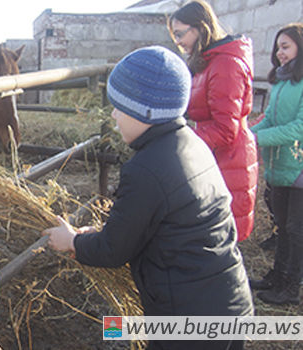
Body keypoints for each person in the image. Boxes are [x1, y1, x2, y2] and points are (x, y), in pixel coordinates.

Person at [41, 46, 253, 350]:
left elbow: (113, 251)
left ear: (145, 113)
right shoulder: (191, 142)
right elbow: (163, 224)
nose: (113, 114)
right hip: (227, 301)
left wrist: (72, 241)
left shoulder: (145, 169)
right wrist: (97, 236)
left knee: (119, 332)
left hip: (189, 321)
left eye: (119, 107)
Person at [168, 0, 258, 242]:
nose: (177, 41)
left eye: (180, 33)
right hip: (216, 157)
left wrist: (179, 138)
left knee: (222, 237)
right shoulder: (208, 61)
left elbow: (226, 130)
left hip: (229, 161)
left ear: (200, 28)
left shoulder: (225, 64)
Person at [249, 23, 303, 305]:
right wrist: (247, 135)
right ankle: (277, 276)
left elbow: (299, 128)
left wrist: (260, 139)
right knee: (282, 226)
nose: (279, 53)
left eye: (286, 47)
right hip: (281, 164)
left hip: (299, 165)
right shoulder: (282, 81)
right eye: (278, 47)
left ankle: (291, 288)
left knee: (296, 230)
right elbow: (269, 118)